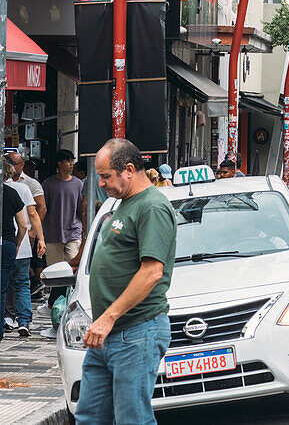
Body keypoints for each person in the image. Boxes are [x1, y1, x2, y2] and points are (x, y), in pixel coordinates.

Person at [75, 138, 175, 425]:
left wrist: (108, 318)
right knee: (89, 417)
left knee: (132, 418)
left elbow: (151, 272)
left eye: (105, 176)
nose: (101, 183)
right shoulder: (123, 204)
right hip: (107, 334)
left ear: (129, 170)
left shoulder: (152, 207)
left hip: (135, 331)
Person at [4, 161, 43, 336]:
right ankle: (24, 320)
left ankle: (7, 317)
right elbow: (32, 214)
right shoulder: (23, 189)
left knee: (5, 284)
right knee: (22, 284)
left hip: (6, 242)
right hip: (21, 242)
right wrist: (40, 237)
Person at [42, 150, 85, 307]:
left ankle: (72, 300)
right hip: (53, 233)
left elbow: (82, 209)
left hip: (74, 231)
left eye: (72, 160)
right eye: (68, 160)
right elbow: (43, 208)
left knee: (73, 268)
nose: (71, 163)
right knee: (54, 271)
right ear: (59, 163)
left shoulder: (78, 184)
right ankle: (55, 303)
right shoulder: (48, 184)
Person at [1, 160, 29, 343]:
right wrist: (17, 243)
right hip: (7, 243)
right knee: (2, 288)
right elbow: (23, 225)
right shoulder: (11, 193)